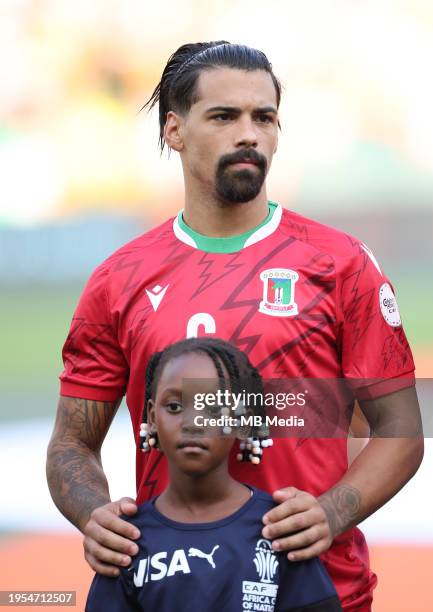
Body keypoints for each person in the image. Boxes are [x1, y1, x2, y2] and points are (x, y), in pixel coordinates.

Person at [46, 41, 423, 611]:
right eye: (224, 116)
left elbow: (401, 430)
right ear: (174, 130)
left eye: (264, 117)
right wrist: (92, 514)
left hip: (318, 590)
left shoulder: (340, 264)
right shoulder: (118, 279)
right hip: (170, 591)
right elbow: (73, 441)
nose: (249, 134)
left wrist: (331, 512)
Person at [86, 337, 342, 611]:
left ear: (242, 420)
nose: (193, 423)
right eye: (174, 407)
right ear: (152, 417)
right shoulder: (128, 542)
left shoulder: (280, 531)